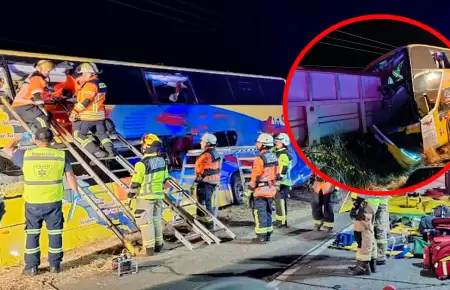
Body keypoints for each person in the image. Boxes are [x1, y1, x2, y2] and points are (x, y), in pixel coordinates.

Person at [3, 128, 81, 276]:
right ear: (52, 141)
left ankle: (31, 268)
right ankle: (55, 266)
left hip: (33, 203)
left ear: (35, 140)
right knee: (55, 233)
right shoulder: (61, 155)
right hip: (53, 202)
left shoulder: (25, 155)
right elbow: (70, 176)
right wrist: (76, 193)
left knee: (32, 234)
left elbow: (7, 148)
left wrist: (20, 137)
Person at [127, 133, 169, 256]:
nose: (142, 146)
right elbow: (165, 178)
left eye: (144, 144)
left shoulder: (141, 164)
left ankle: (149, 248)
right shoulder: (162, 161)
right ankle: (159, 244)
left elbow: (135, 183)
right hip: (159, 195)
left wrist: (130, 197)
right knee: (156, 219)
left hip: (145, 197)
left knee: (145, 222)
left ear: (148, 146)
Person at [70, 62, 114, 158]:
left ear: (87, 73)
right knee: (101, 135)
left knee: (78, 135)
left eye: (80, 75)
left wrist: (74, 112)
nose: (79, 78)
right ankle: (110, 151)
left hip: (87, 117)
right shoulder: (101, 83)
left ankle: (97, 152)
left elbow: (86, 101)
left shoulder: (90, 85)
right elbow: (95, 98)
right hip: (99, 117)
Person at [244, 133, 278, 243]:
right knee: (268, 212)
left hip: (260, 191)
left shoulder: (259, 159)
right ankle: (268, 235)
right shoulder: (274, 157)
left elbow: (256, 176)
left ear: (263, 145)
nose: (256, 144)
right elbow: (277, 173)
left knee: (260, 213)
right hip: (271, 190)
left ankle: (261, 237)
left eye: (258, 142)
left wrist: (249, 190)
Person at [12, 60, 54, 132]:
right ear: (38, 68)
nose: (46, 72)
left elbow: (41, 93)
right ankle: (44, 137)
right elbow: (36, 91)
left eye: (48, 71)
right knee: (42, 118)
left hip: (23, 105)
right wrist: (40, 104)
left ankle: (36, 134)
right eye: (44, 70)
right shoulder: (37, 78)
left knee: (47, 115)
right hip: (24, 105)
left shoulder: (35, 77)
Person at [348, 193, 380, 275]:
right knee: (367, 233)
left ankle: (362, 266)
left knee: (363, 236)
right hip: (368, 201)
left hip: (365, 201)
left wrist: (357, 204)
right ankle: (371, 262)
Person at [194, 133, 221, 229]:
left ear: (207, 143)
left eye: (203, 141)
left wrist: (198, 178)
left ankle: (208, 223)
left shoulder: (205, 155)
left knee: (205, 202)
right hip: (212, 181)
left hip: (205, 181)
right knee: (207, 201)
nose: (201, 143)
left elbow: (199, 167)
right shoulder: (215, 152)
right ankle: (204, 221)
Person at [273, 133, 293, 228]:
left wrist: (278, 180)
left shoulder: (283, 154)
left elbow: (283, 168)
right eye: (275, 140)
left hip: (283, 182)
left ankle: (282, 222)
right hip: (282, 181)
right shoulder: (278, 152)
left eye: (278, 140)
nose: (276, 142)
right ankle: (280, 220)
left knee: (280, 201)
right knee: (279, 201)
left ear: (284, 142)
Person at [374, 196, 390, 266]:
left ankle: (380, 256)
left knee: (380, 230)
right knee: (377, 230)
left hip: (379, 205)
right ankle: (376, 254)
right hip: (375, 203)